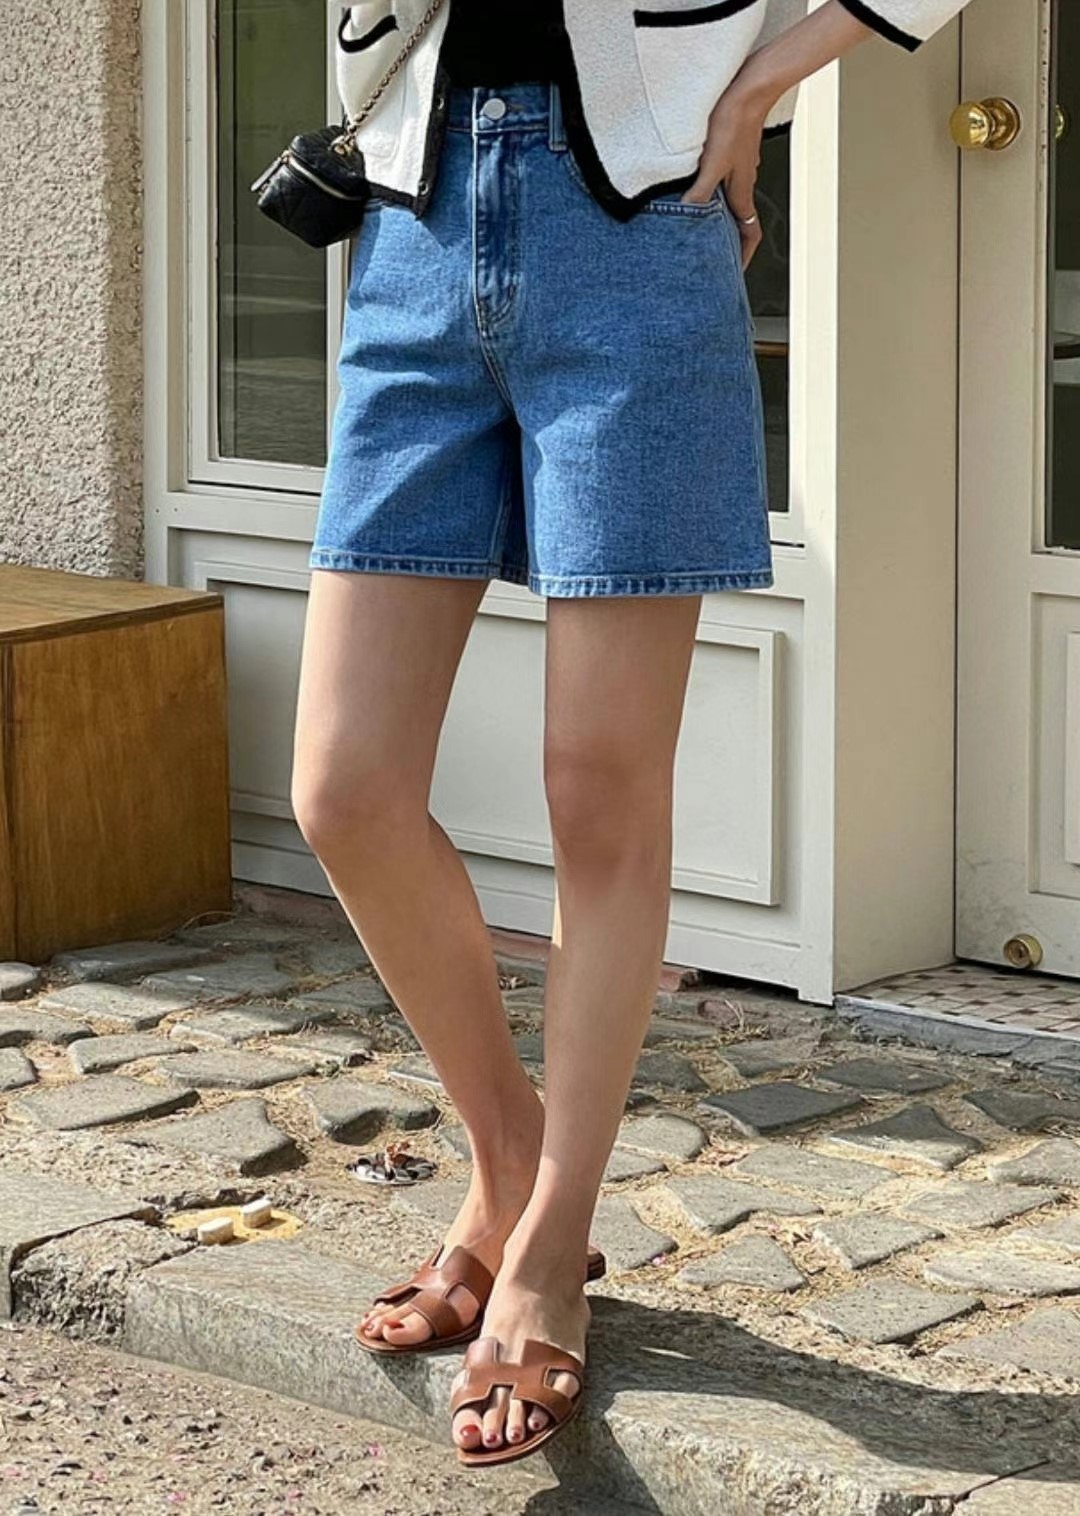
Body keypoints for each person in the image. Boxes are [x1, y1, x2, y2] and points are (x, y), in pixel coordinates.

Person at [292, 0, 973, 1468]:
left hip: (635, 228)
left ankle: (549, 1245)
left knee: (598, 796)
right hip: (415, 220)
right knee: (344, 787)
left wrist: (764, 82)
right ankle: (507, 1159)